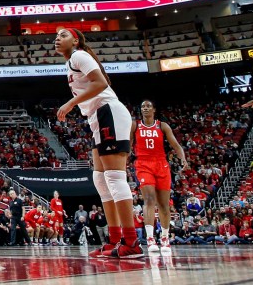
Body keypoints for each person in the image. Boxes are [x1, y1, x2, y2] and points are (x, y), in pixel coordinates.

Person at [55, 27, 142, 259]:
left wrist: (70, 103)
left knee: (114, 177)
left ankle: (131, 242)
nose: (57, 38)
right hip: (97, 117)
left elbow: (101, 83)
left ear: (75, 40)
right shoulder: (70, 61)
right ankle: (114, 241)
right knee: (100, 180)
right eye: (56, 35)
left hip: (108, 112)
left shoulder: (79, 55)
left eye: (62, 35)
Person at [130, 99, 188, 254]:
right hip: (143, 163)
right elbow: (128, 146)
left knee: (163, 204)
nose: (145, 108)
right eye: (143, 106)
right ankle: (150, 239)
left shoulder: (162, 126)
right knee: (149, 199)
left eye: (148, 106)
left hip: (161, 164)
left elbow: (176, 145)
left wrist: (182, 158)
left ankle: (164, 237)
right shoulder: (135, 125)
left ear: (154, 109)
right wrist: (122, 162)